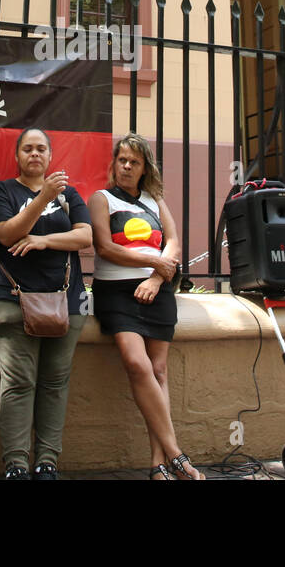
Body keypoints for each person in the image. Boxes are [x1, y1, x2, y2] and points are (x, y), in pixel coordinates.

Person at [0, 128, 92, 480]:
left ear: (49, 155)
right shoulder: (2, 191)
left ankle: (46, 463)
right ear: (17, 156)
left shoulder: (68, 193)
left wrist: (44, 241)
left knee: (55, 384)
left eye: (41, 149)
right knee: (19, 382)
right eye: (27, 149)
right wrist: (43, 199)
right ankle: (15, 465)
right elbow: (5, 234)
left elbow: (85, 236)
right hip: (11, 303)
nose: (34, 154)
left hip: (65, 303)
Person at [88, 133, 202, 480]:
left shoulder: (155, 200)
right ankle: (177, 454)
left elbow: (173, 242)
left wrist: (155, 279)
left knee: (159, 371)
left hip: (158, 292)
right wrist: (150, 265)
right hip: (117, 292)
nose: (126, 166)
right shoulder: (101, 198)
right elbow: (104, 247)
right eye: (121, 159)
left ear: (144, 168)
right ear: (114, 163)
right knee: (137, 364)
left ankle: (158, 465)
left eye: (134, 162)